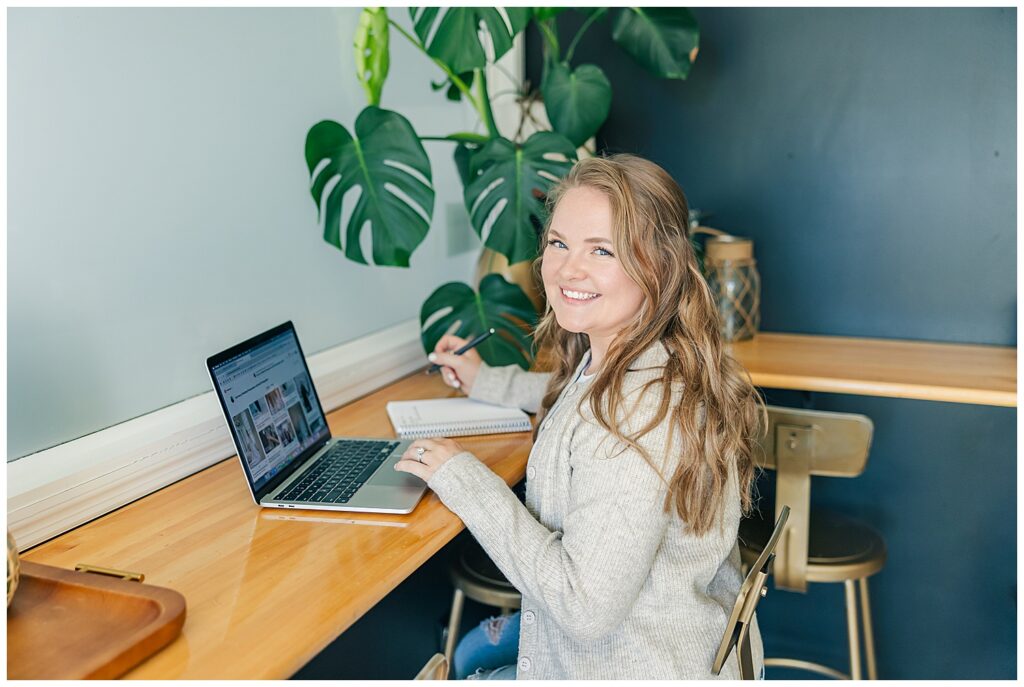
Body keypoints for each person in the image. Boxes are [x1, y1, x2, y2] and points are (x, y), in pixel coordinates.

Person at [395, 154, 766, 680]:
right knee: (473, 650)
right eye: (559, 243)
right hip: (670, 633)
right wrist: (486, 382)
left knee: (464, 661)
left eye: (602, 250)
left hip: (635, 661)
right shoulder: (641, 357)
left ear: (658, 267)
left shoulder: (636, 416)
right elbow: (575, 397)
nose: (569, 269)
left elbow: (584, 607)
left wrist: (466, 481)